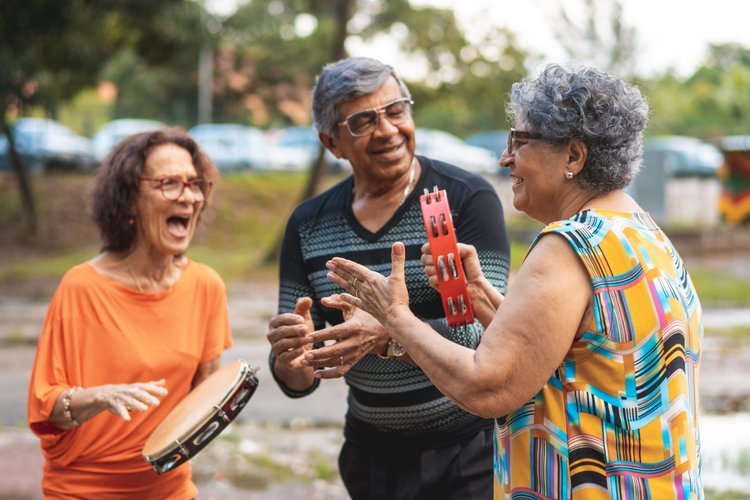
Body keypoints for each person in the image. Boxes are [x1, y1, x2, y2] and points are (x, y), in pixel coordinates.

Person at [324, 64, 703, 498]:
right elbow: (566, 355)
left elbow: (487, 386)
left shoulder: (568, 245)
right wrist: (480, 293)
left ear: (573, 157)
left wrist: (394, 317)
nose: (506, 159)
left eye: (519, 142)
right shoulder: (641, 231)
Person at [266, 56, 511, 499]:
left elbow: (493, 335)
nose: (387, 130)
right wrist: (291, 354)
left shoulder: (465, 199)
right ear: (331, 142)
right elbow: (298, 378)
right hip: (371, 458)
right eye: (362, 121)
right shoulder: (308, 225)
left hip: (470, 452)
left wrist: (387, 333)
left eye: (396, 110)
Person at [27, 128, 234, 498]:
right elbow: (48, 411)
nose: (187, 197)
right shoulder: (81, 288)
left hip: (170, 489)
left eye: (195, 183)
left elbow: (203, 403)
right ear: (130, 200)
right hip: (83, 490)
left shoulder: (206, 286)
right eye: (169, 183)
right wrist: (98, 397)